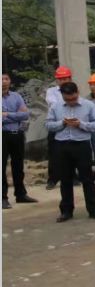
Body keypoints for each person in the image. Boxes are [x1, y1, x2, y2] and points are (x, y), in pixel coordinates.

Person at [45, 82, 95, 222]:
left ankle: (93, 210)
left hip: (82, 145)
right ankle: (66, 211)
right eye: (67, 99)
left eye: (73, 98)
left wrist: (81, 124)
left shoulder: (89, 105)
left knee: (87, 179)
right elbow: (48, 125)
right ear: (62, 95)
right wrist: (62, 123)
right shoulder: (55, 106)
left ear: (77, 92)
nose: (71, 102)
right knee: (65, 179)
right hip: (62, 145)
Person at [2, 73, 38, 210]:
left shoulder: (16, 96)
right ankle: (3, 197)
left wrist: (6, 115)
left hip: (17, 134)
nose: (4, 82)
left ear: (10, 81)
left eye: (6, 79)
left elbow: (25, 114)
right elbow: (19, 114)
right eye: (1, 79)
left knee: (18, 165)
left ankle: (21, 194)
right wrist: (16, 115)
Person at [45, 65, 76, 190]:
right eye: (60, 79)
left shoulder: (74, 89)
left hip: (71, 125)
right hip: (56, 125)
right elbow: (54, 104)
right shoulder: (51, 91)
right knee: (54, 153)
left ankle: (73, 177)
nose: (63, 81)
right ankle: (52, 179)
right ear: (57, 80)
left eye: (65, 78)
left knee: (72, 152)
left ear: (70, 79)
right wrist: (69, 101)